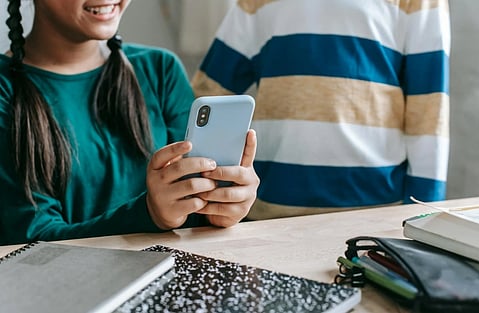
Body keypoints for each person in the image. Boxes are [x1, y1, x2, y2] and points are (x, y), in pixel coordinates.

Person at [0, 0, 259, 245]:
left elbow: (191, 209)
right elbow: (31, 239)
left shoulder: (160, 70)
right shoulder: (5, 89)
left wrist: (218, 210)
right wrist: (149, 215)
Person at [192, 0, 451, 220]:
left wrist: (424, 216)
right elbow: (208, 94)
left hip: (373, 214)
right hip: (269, 211)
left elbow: (429, 109)